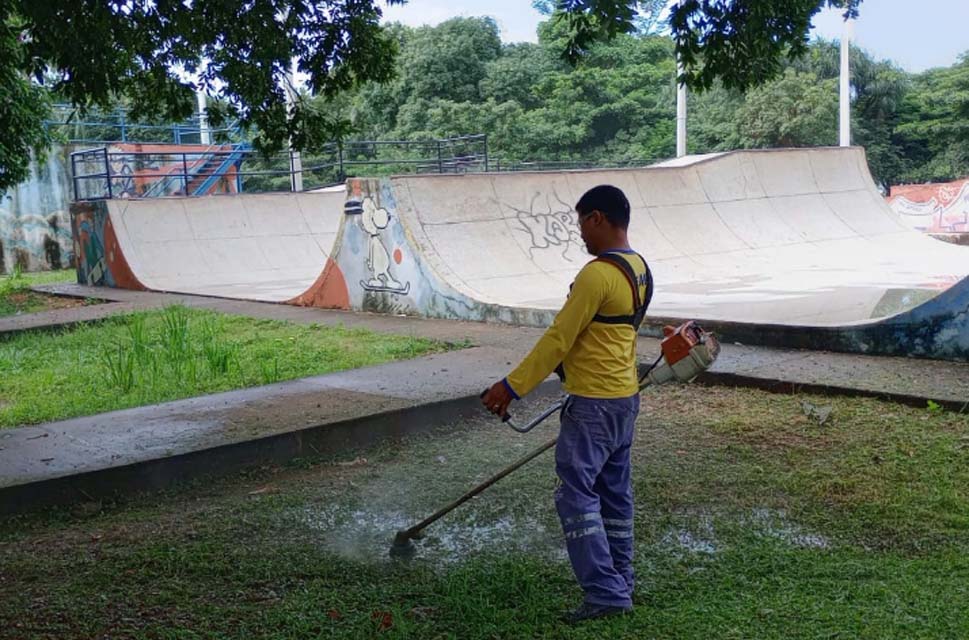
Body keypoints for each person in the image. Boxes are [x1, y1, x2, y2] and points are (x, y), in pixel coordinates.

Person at [482, 185, 652, 624]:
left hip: (594, 405)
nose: (580, 234)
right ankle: (621, 579)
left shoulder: (597, 275)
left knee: (576, 496)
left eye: (581, 223)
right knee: (614, 496)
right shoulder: (640, 270)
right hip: (623, 402)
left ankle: (604, 591)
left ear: (598, 217)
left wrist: (510, 387)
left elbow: (559, 338)